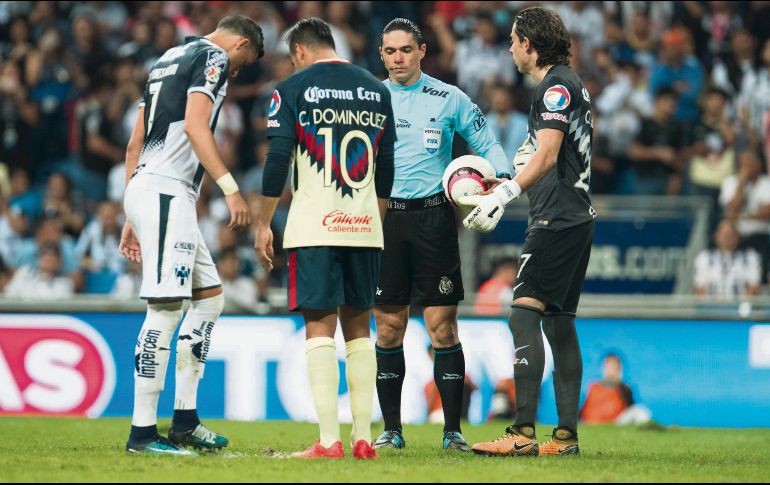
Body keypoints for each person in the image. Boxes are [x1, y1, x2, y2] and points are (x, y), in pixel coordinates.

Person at [119, 15, 264, 456]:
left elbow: (136, 141)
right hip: (166, 191)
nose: (236, 71)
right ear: (240, 43)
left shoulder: (167, 58)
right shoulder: (213, 57)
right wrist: (232, 188)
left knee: (210, 298)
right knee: (165, 311)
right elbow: (198, 127)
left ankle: (185, 420)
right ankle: (142, 434)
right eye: (246, 62)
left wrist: (130, 210)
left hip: (151, 187)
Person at [254, 17, 395, 460]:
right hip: (363, 225)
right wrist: (376, 217)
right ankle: (363, 439)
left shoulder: (292, 90)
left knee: (320, 328)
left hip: (315, 225)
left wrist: (264, 221)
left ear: (299, 51)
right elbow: (387, 165)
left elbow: (278, 158)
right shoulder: (377, 89)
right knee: (359, 330)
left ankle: (330, 441)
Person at [373, 18, 511, 453]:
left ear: (422, 51)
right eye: (390, 51)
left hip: (435, 219)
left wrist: (503, 181)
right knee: (389, 328)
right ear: (382, 55)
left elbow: (486, 143)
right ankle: (392, 430)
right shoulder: (372, 99)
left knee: (443, 328)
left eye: (405, 50)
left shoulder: (449, 98)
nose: (398, 58)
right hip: (385, 220)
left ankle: (452, 431)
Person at [463, 7, 595, 457]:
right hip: (576, 217)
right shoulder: (565, 84)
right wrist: (505, 184)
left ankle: (521, 433)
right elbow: (537, 155)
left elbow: (550, 154)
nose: (510, 48)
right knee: (559, 324)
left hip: (556, 218)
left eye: (514, 40)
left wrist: (505, 196)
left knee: (523, 313)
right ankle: (565, 438)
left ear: (530, 45)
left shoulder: (555, 87)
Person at [694, 219, 762, 297]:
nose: (727, 238)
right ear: (716, 236)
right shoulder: (704, 257)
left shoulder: (750, 256)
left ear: (738, 237)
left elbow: (753, 286)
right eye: (724, 234)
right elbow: (699, 287)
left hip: (741, 305)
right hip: (711, 306)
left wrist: (743, 307)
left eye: (731, 234)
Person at [580, 354, 651, 425]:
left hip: (614, 423)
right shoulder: (592, 387)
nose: (611, 370)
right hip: (591, 423)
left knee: (640, 411)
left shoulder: (625, 388)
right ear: (604, 369)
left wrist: (620, 383)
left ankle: (646, 433)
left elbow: (631, 408)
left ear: (619, 369)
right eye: (608, 367)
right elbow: (582, 410)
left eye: (614, 367)